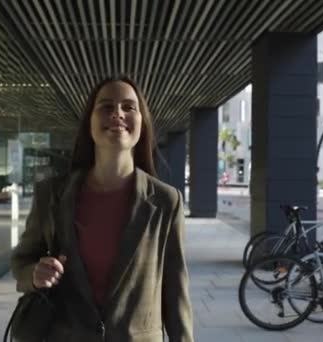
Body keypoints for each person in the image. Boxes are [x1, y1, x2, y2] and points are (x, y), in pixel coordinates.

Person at [11, 76, 194, 341]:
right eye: (106, 106)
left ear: (142, 122)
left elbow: (176, 294)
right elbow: (21, 262)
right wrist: (35, 275)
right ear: (89, 122)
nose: (117, 113)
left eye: (129, 107)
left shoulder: (167, 202)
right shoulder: (52, 195)